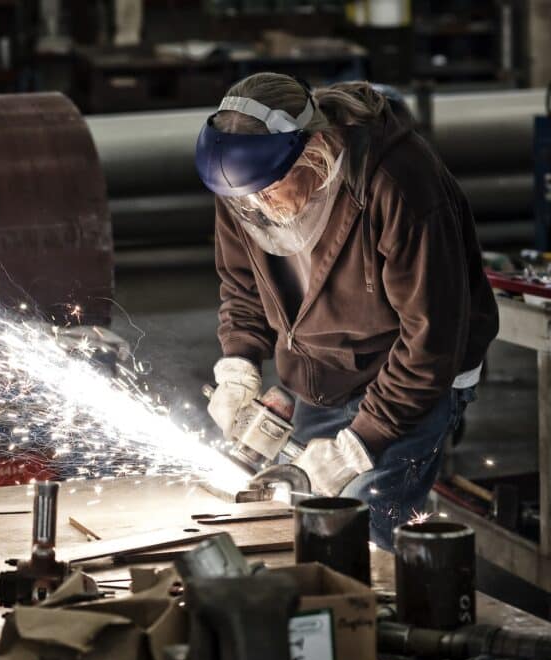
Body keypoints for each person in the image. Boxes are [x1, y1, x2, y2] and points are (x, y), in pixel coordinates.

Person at [197, 73, 499, 549]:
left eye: (270, 188)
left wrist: (361, 441)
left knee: (362, 531)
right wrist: (238, 361)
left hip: (411, 379)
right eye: (243, 197)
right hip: (319, 373)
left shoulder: (398, 183)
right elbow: (241, 285)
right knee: (302, 520)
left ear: (314, 149)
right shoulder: (244, 184)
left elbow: (431, 338)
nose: (256, 205)